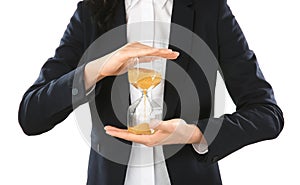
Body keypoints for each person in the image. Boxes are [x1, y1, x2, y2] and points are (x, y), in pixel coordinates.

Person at [18, 0, 284, 184]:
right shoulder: (92, 10)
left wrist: (194, 133)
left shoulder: (208, 8)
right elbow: (31, 115)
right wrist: (96, 69)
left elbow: (267, 114)